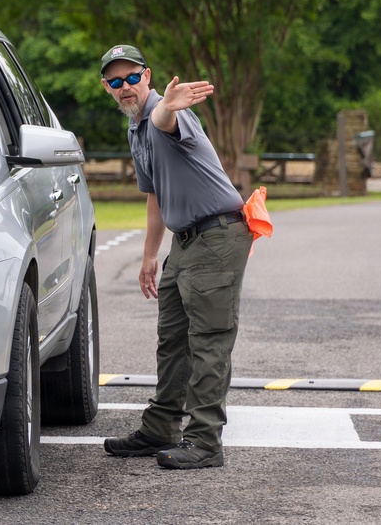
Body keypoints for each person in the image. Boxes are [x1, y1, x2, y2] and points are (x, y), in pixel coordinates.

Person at [98, 44, 253, 470]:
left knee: (208, 342)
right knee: (172, 340)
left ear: (146, 75)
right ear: (106, 87)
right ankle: (161, 427)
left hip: (218, 234)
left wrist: (167, 104)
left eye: (132, 77)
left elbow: (166, 120)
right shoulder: (134, 128)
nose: (125, 87)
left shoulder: (168, 113)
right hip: (185, 241)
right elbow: (154, 196)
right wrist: (150, 256)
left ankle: (204, 442)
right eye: (116, 81)